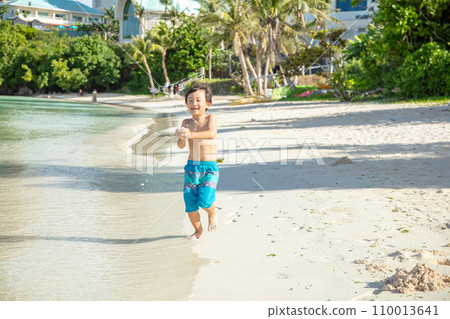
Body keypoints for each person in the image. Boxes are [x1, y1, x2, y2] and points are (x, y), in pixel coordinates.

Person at [175, 85, 218, 240]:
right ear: (187, 104)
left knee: (205, 201)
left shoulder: (210, 119)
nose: (194, 103)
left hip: (209, 169)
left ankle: (212, 213)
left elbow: (211, 134)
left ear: (208, 104)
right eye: (190, 100)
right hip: (191, 168)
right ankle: (198, 231)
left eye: (198, 100)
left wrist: (190, 134)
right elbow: (181, 146)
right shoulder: (186, 122)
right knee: (190, 203)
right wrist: (181, 136)